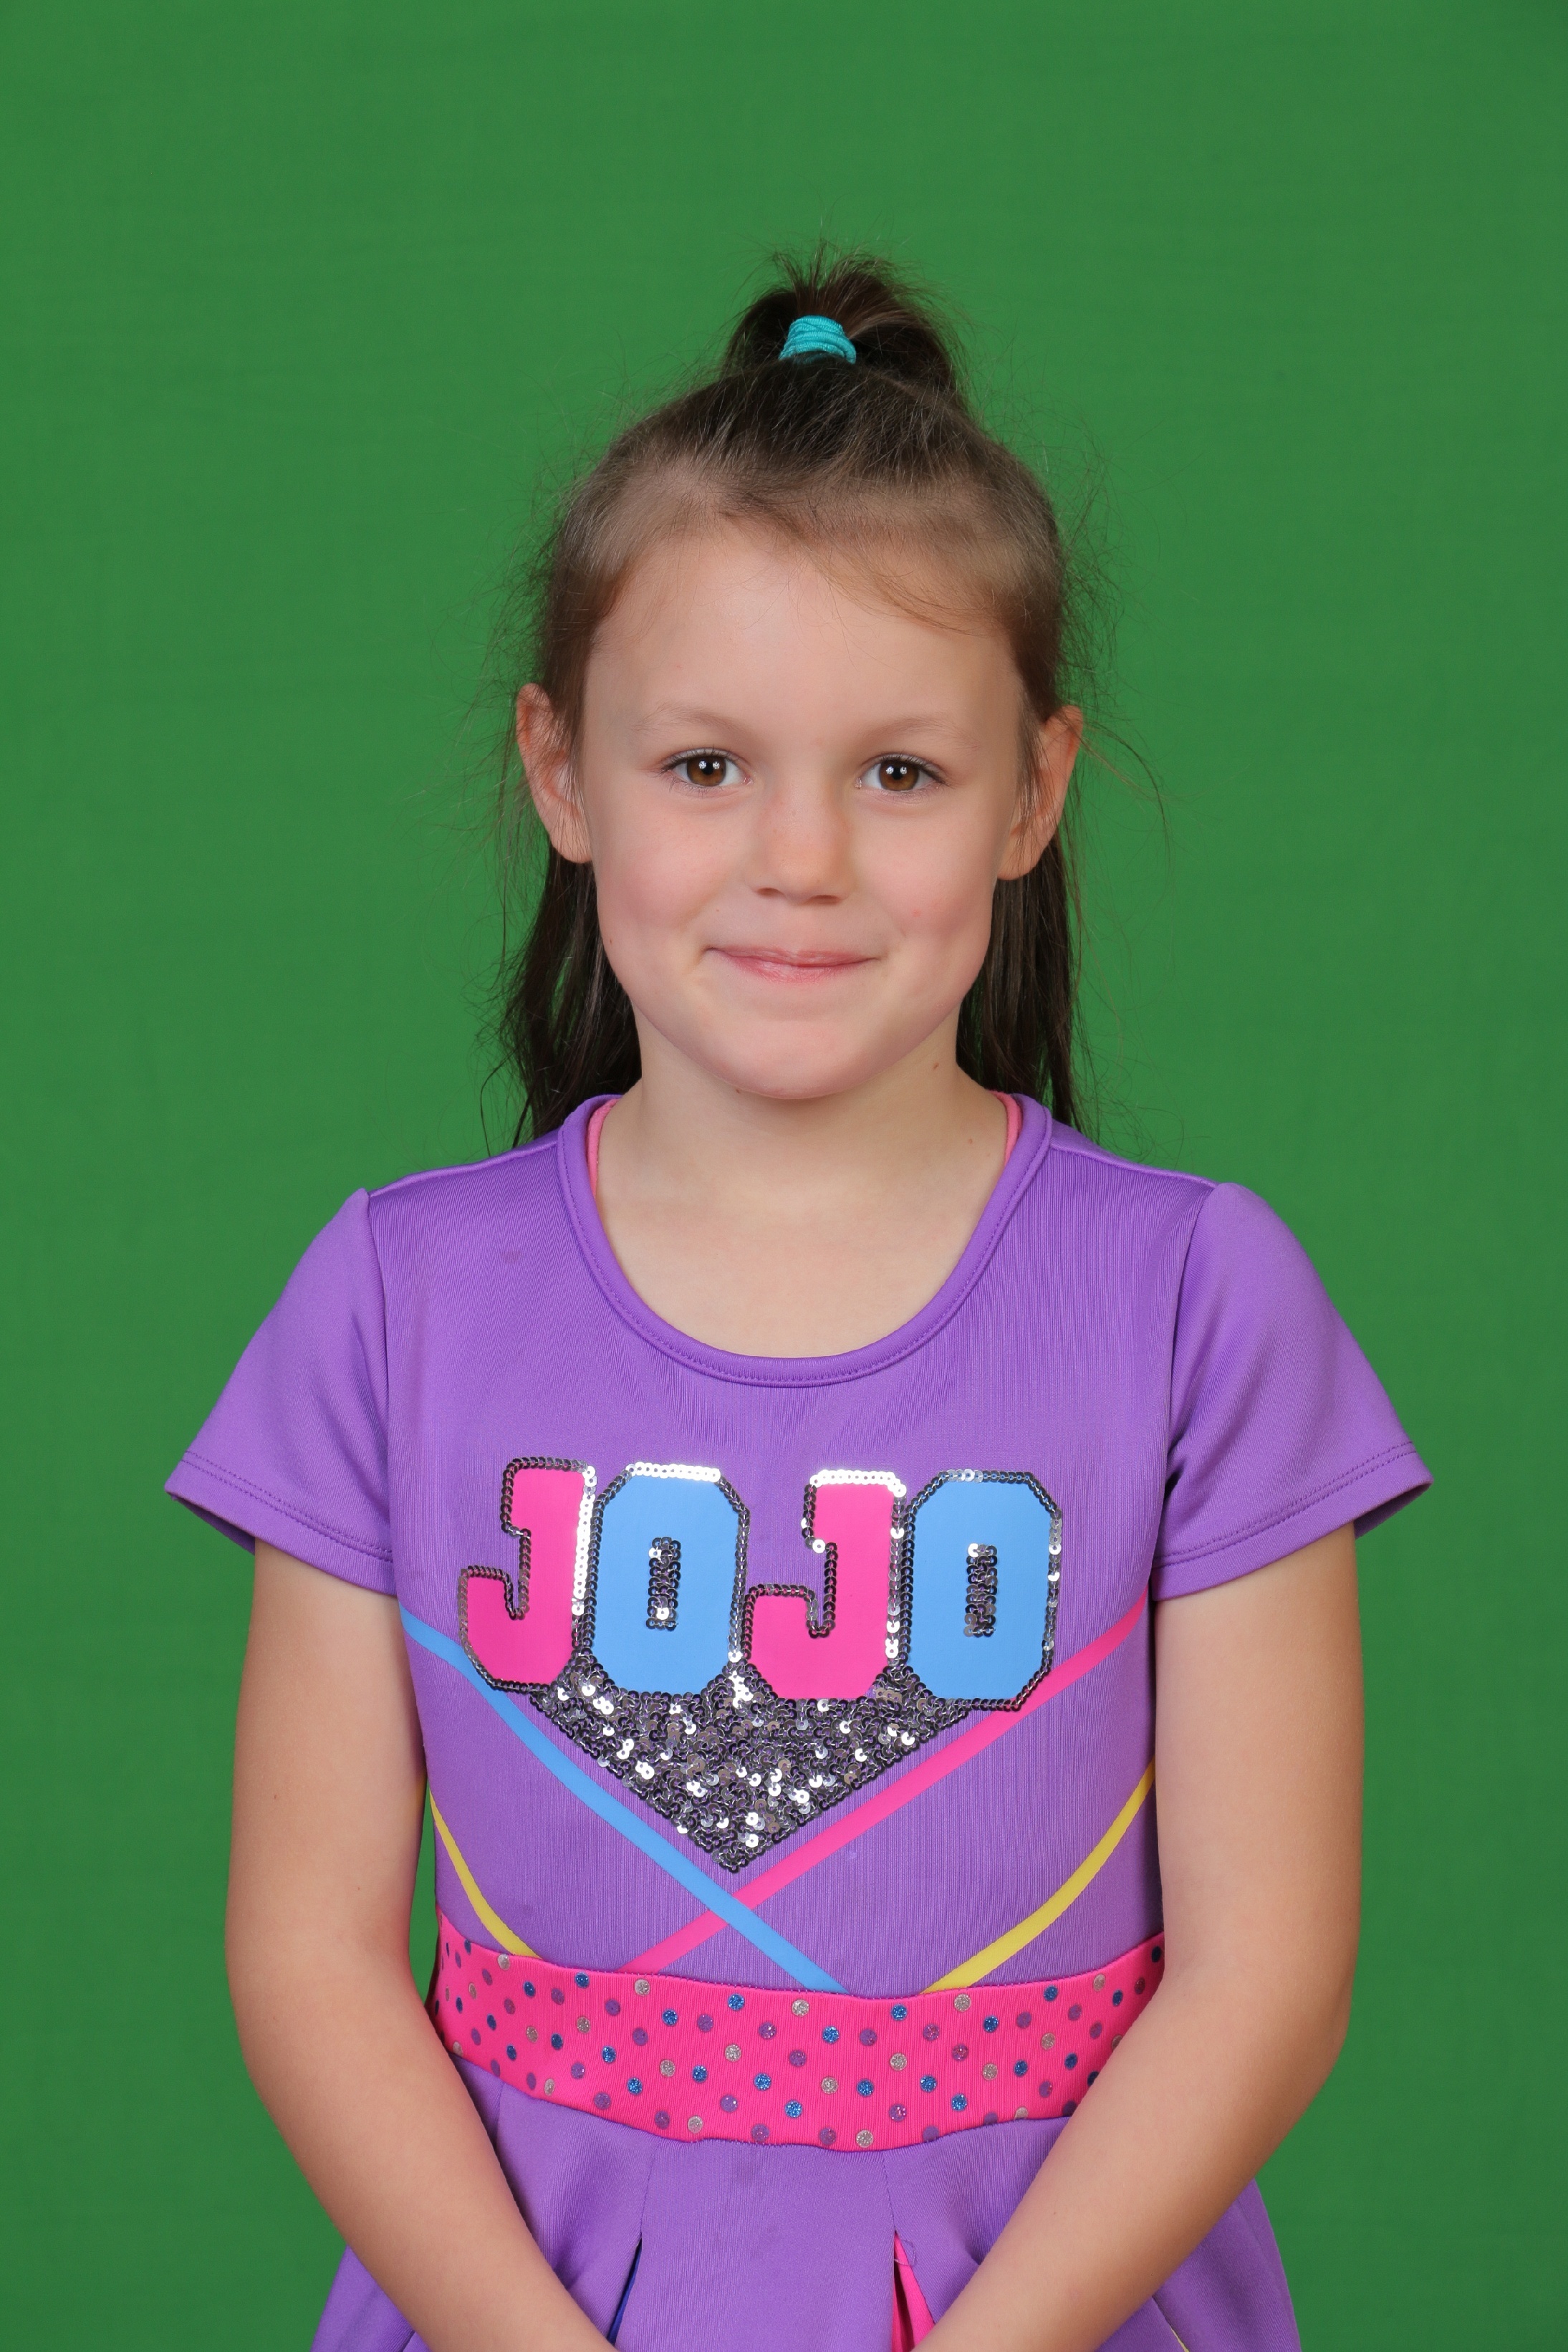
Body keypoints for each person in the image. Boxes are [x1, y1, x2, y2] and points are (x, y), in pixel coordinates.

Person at [168, 254, 1429, 2352]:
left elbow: (1267, 1968)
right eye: (705, 766)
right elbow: (307, 1954)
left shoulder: (1196, 1303)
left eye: (899, 773)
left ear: (1033, 793)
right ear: (561, 773)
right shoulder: (395, 1302)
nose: (804, 857)